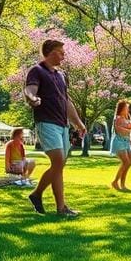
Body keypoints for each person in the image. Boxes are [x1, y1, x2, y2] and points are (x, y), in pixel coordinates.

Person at [23, 38, 87, 217]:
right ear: (51, 52)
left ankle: (60, 207)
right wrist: (32, 98)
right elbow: (29, 90)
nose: (64, 56)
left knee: (59, 166)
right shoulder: (37, 70)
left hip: (62, 124)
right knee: (58, 162)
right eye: (61, 52)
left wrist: (79, 123)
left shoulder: (61, 75)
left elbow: (66, 102)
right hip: (46, 122)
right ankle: (38, 195)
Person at [109, 99, 131, 191]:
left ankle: (123, 185)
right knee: (126, 162)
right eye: (126, 107)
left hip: (126, 142)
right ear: (121, 108)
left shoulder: (128, 118)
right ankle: (115, 182)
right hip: (119, 142)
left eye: (127, 108)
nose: (127, 109)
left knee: (130, 161)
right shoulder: (118, 118)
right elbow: (119, 130)